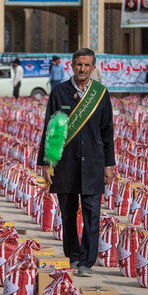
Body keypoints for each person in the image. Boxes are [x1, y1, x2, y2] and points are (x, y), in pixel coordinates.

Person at [36, 48, 115, 277]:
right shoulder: (60, 92)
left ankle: (87, 262)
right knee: (68, 214)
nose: (82, 69)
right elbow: (50, 128)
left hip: (93, 163)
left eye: (87, 65)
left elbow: (107, 131)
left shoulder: (100, 94)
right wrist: (46, 162)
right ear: (72, 66)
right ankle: (72, 256)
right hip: (66, 164)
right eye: (79, 65)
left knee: (92, 213)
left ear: (93, 67)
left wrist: (108, 165)